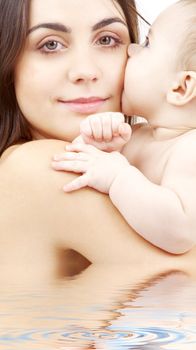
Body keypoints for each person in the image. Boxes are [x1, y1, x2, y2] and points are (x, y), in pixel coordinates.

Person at [0, 0, 196, 284]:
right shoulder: (37, 168)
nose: (85, 70)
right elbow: (182, 282)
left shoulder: (143, 146)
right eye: (50, 45)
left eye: (107, 40)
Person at [52, 0, 196, 255]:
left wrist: (118, 176)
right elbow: (82, 163)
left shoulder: (190, 149)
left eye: (148, 44)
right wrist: (99, 143)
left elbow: (180, 233)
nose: (131, 49)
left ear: (180, 88)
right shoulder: (139, 135)